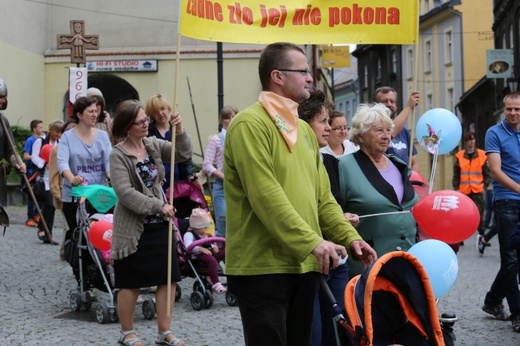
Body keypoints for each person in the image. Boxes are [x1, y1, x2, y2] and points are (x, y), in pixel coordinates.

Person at [224, 42, 377, 346]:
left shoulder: (304, 131)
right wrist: (312, 241)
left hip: (304, 264)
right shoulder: (249, 124)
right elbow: (265, 195)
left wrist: (349, 236)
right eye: (303, 71)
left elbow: (322, 198)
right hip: (261, 267)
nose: (310, 78)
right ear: (277, 76)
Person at [109, 99, 192, 346]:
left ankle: (164, 331)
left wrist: (180, 130)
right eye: (141, 121)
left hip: (161, 223)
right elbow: (124, 192)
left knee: (168, 277)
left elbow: (182, 153)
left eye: (147, 119)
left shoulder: (153, 144)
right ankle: (127, 332)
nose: (147, 124)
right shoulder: (118, 154)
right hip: (134, 225)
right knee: (130, 281)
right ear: (126, 126)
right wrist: (158, 206)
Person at [297, 90, 359, 346]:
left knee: (337, 330)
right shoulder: (298, 160)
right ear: (304, 124)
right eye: (323, 122)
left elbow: (328, 205)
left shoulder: (329, 162)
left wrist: (347, 230)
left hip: (337, 257)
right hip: (312, 257)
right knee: (315, 334)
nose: (329, 128)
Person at [338, 103, 418, 277]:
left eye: (388, 130)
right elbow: (332, 210)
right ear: (360, 136)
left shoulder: (399, 164)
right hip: (368, 264)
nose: (386, 136)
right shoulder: (344, 166)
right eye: (379, 130)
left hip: (407, 260)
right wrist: (342, 218)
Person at [482, 91, 520, 332]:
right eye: (509, 109)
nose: (513, 113)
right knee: (511, 258)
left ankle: (492, 300)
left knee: (513, 261)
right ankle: (518, 314)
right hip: (507, 200)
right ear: (503, 110)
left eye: (517, 109)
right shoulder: (494, 133)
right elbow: (495, 171)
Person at [57, 96, 112, 258]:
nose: (95, 114)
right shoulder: (68, 137)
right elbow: (62, 162)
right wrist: (71, 177)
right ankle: (79, 266)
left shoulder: (102, 136)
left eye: (96, 111)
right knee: (78, 233)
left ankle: (101, 266)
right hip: (75, 194)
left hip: (100, 193)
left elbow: (109, 161)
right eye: (90, 111)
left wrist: (111, 176)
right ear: (80, 115)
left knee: (101, 230)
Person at [145, 94, 195, 192]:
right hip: (158, 184)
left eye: (162, 109)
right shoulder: (148, 133)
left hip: (178, 183)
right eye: (155, 111)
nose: (160, 113)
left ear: (168, 109)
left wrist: (189, 175)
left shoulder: (177, 130)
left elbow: (186, 157)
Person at [452, 131, 491, 255]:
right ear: (466, 142)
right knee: (461, 216)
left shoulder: (482, 155)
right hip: (463, 191)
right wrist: (456, 188)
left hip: (477, 190)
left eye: (473, 140)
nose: (471, 142)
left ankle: (482, 235)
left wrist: (484, 186)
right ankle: (460, 237)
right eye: (469, 140)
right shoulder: (459, 156)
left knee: (479, 213)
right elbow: (456, 176)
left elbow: (487, 173)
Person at [202, 105, 237, 238]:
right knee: (222, 226)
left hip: (237, 188)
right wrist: (223, 176)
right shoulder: (216, 139)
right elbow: (206, 165)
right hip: (221, 188)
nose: (231, 120)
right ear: (222, 120)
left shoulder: (240, 138)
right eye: (227, 117)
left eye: (234, 116)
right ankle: (220, 256)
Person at [31, 120, 64, 244]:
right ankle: (44, 230)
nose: (59, 134)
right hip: (43, 178)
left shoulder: (61, 142)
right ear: (51, 130)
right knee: (50, 204)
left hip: (55, 178)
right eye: (57, 132)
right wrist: (44, 163)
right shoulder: (40, 141)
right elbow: (34, 156)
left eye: (60, 132)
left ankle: (46, 232)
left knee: (51, 206)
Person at [374, 86, 420, 171]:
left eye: (392, 101)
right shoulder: (373, 127)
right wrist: (409, 107)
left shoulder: (404, 132)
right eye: (384, 101)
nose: (389, 104)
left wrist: (412, 180)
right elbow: (391, 132)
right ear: (376, 105)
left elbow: (414, 162)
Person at [183, 207, 227, 293]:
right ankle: (216, 284)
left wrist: (213, 246)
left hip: (208, 253)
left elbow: (206, 242)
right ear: (196, 227)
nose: (206, 229)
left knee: (226, 253)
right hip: (196, 257)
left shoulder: (202, 233)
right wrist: (200, 249)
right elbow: (188, 247)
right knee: (211, 260)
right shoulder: (188, 234)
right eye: (204, 227)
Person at [0, 78, 27, 207]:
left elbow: (10, 150)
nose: (1, 100)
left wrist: (18, 163)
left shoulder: (3, 121)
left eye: (3, 97)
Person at [22, 119, 44, 227]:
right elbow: (25, 156)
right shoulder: (30, 140)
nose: (42, 129)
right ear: (34, 129)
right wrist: (36, 157)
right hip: (31, 172)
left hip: (39, 171)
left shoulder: (42, 140)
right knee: (31, 195)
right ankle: (30, 217)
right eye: (40, 127)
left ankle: (37, 214)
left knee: (40, 193)